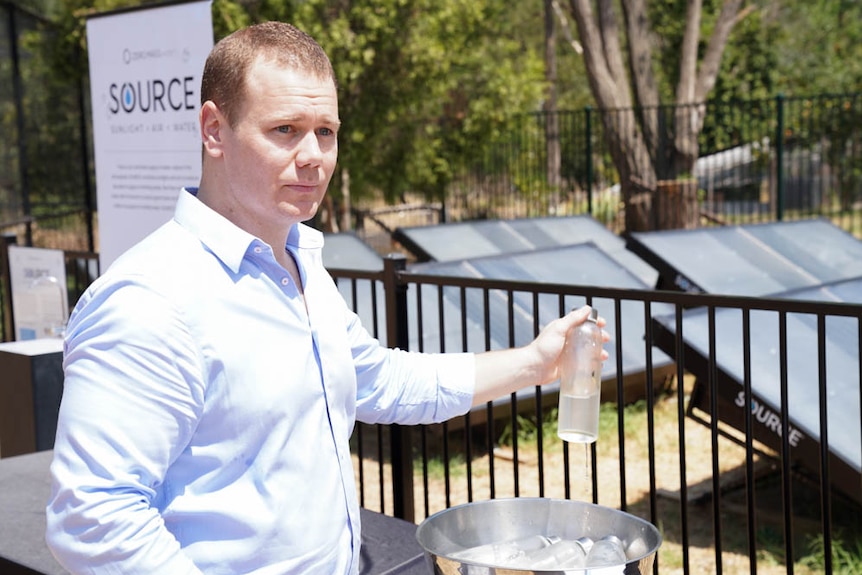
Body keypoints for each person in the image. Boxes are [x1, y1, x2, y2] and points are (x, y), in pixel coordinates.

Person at [45, 21, 608, 575]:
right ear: (214, 131)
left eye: (327, 132)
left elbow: (381, 381)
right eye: (285, 130)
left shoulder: (300, 262)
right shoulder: (149, 301)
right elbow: (94, 518)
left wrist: (536, 363)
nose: (314, 156)